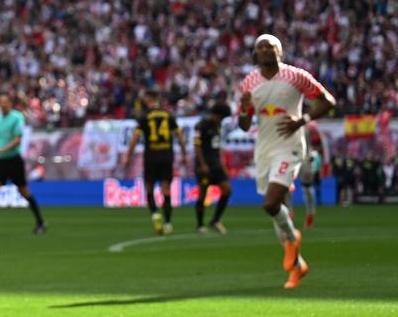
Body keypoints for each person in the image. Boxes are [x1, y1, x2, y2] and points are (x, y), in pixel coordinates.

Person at [238, 33, 336, 290]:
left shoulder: (296, 76)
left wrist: (302, 120)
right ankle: (297, 267)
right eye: (261, 47)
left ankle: (293, 240)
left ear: (279, 52)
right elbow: (245, 124)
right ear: (255, 54)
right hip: (265, 149)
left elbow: (328, 102)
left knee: (271, 203)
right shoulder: (248, 82)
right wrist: (243, 108)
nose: (266, 50)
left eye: (271, 46)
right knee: (276, 208)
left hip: (290, 146)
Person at [0, 93, 46, 236]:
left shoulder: (17, 117)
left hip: (13, 160)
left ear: (10, 104)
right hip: (1, 160)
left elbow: (18, 140)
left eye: (5, 102)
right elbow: (2, 139)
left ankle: (40, 222)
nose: (3, 104)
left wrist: (0, 150)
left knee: (23, 191)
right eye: (0, 102)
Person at [121, 89, 186, 235]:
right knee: (166, 189)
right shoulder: (169, 115)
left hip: (151, 156)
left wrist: (127, 156)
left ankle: (155, 214)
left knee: (149, 187)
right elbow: (180, 135)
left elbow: (135, 138)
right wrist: (184, 154)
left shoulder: (145, 116)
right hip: (166, 155)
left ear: (149, 98)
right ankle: (168, 224)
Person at [194, 102, 233, 234]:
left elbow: (217, 147)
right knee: (203, 193)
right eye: (221, 117)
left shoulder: (218, 126)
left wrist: (222, 164)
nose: (221, 120)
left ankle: (215, 220)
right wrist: (202, 164)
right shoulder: (201, 126)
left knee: (227, 190)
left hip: (216, 164)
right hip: (204, 164)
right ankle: (200, 225)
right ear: (216, 114)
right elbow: (197, 146)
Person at [297, 122, 323, 229]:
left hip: (304, 159)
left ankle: (310, 213)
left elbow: (319, 143)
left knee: (306, 187)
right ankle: (289, 211)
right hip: (289, 158)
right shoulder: (285, 122)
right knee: (285, 187)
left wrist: (313, 154)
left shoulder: (309, 126)